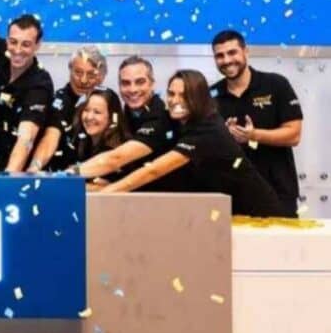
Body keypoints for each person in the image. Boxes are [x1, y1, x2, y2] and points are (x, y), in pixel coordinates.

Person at [101, 70, 285, 217]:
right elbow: (120, 156)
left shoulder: (209, 128)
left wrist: (103, 196)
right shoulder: (175, 121)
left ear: (200, 98)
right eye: (171, 93)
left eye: (184, 95)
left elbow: (154, 170)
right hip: (224, 214)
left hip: (260, 217)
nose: (175, 100)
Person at [210, 30, 303, 217]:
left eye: (232, 52)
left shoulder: (276, 84)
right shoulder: (211, 95)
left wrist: (254, 135)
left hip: (277, 193)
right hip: (230, 197)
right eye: (220, 55)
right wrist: (223, 137)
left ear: (246, 51)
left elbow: (294, 134)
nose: (226, 60)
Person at [67, 56, 180, 189]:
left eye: (140, 82)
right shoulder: (127, 113)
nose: (133, 89)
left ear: (152, 84)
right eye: (126, 83)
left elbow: (116, 159)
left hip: (168, 197)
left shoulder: (161, 116)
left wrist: (66, 176)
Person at [0, 13, 54, 172]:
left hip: (19, 173)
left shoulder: (40, 85)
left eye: (26, 45)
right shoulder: (6, 55)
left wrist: (9, 179)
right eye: (13, 42)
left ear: (37, 45)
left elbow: (25, 139)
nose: (17, 50)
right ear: (7, 41)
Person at [27, 46, 108, 172]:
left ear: (102, 77)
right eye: (78, 72)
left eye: (91, 74)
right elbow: (51, 137)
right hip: (61, 176)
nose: (83, 80)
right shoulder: (60, 102)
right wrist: (35, 165)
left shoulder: (109, 101)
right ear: (70, 70)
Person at [70, 88, 130, 183]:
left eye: (97, 112)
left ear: (112, 117)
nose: (89, 117)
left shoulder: (119, 150)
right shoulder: (80, 142)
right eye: (86, 110)